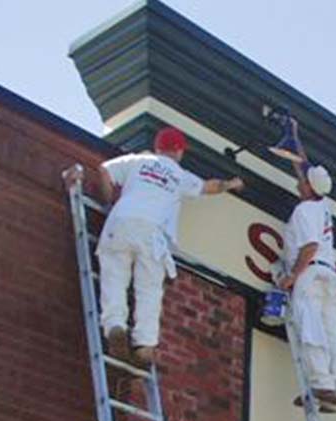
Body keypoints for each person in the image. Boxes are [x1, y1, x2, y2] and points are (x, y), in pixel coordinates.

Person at [87, 126, 244, 367]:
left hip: (121, 222)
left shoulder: (139, 160)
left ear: (158, 146)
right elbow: (209, 187)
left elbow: (105, 171)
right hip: (153, 233)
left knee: (114, 276)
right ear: (179, 151)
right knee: (148, 289)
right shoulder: (179, 175)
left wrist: (109, 201)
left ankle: (115, 327)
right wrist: (231, 184)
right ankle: (145, 345)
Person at [277, 145, 336, 411]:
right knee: (332, 333)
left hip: (310, 274)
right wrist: (294, 140)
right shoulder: (324, 205)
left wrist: (291, 277)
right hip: (332, 278)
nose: (298, 184)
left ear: (309, 188)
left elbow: (309, 247)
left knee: (310, 328)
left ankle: (321, 383)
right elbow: (307, 170)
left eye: (302, 183)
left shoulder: (303, 211)